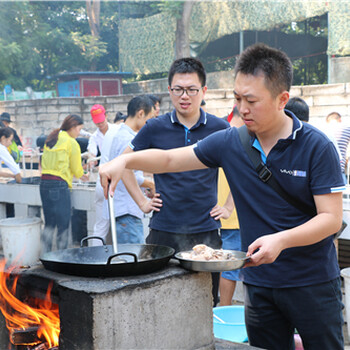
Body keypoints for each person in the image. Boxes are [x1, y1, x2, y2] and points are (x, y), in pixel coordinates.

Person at [100, 43, 345, 350]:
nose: (242, 109)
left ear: (283, 99)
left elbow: (331, 218)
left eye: (251, 100)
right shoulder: (231, 142)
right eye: (237, 98)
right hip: (258, 282)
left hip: (312, 282)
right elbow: (171, 160)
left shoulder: (316, 146)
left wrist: (280, 240)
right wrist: (125, 161)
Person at [105, 57, 229, 306]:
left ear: (203, 91)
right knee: (158, 300)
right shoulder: (154, 127)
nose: (185, 96)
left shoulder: (220, 128)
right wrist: (141, 201)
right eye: (178, 89)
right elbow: (123, 163)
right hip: (164, 230)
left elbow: (240, 168)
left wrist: (228, 206)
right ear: (169, 90)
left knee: (204, 302)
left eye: (192, 89)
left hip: (205, 229)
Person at [107, 95, 158, 243]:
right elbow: (124, 171)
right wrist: (149, 184)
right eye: (150, 118)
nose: (150, 124)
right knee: (133, 258)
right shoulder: (126, 139)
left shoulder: (125, 135)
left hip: (126, 210)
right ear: (141, 114)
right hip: (127, 210)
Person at [40, 114, 89, 252]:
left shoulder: (51, 138)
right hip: (59, 186)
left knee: (49, 224)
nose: (79, 133)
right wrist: (84, 175)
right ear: (72, 127)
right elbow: (77, 169)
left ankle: (45, 255)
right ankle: (61, 257)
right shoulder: (71, 142)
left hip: (44, 184)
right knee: (63, 225)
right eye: (79, 129)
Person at [213, 105, 244, 306]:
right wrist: (229, 206)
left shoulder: (218, 136)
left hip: (216, 214)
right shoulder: (240, 138)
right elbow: (241, 177)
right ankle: (223, 309)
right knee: (230, 267)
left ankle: (220, 310)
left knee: (223, 265)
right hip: (233, 217)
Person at [88, 104, 119, 246]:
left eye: (101, 120)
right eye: (97, 121)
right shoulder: (94, 137)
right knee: (101, 225)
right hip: (104, 182)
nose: (100, 124)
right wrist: (90, 161)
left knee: (118, 223)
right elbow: (92, 154)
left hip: (117, 180)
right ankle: (95, 256)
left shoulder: (117, 130)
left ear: (106, 116)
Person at [326, 111, 350, 181]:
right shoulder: (347, 129)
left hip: (324, 171)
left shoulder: (324, 130)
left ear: (328, 121)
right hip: (339, 171)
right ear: (340, 119)